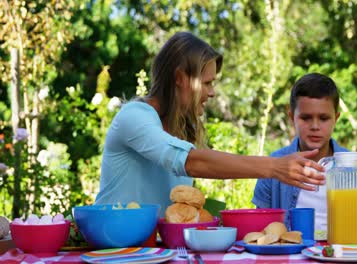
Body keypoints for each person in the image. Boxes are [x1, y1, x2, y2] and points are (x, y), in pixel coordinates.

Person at [95, 32, 326, 213]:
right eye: (207, 83)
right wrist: (273, 167)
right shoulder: (134, 116)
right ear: (179, 78)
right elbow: (191, 161)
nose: (212, 92)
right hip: (113, 248)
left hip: (153, 251)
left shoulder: (180, 129)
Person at [252, 73, 357, 237]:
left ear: (336, 118)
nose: (315, 126)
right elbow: (262, 235)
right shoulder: (274, 165)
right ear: (292, 117)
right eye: (306, 118)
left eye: (324, 118)